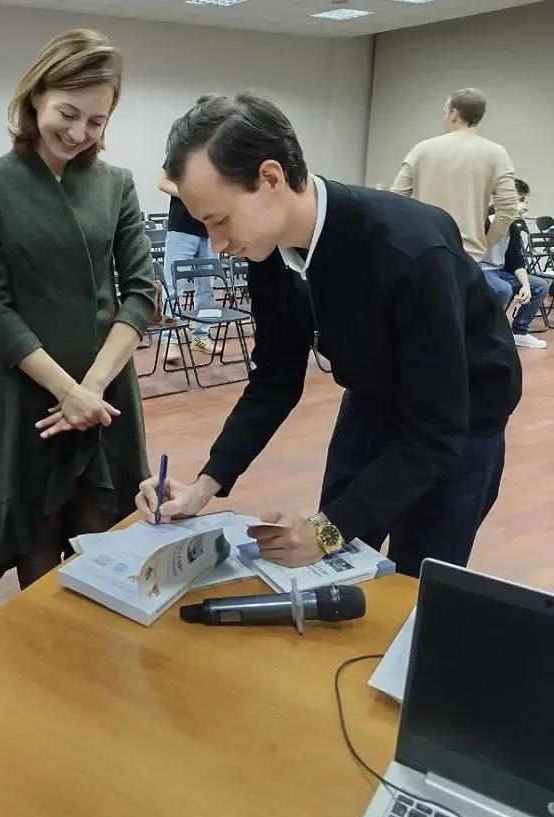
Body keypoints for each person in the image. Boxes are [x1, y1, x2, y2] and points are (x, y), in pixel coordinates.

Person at [135, 92, 521, 579]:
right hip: (371, 399)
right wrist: (204, 484)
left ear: (270, 178)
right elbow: (274, 381)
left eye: (220, 220)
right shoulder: (268, 249)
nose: (218, 244)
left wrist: (325, 530)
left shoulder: (409, 249)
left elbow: (438, 431)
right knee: (337, 562)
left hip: (461, 423)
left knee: (414, 580)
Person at [0, 29, 155, 587]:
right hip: (32, 391)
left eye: (96, 121)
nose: (78, 132)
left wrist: (90, 390)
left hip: (107, 391)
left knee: (105, 532)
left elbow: (140, 292)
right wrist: (68, 393)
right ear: (36, 94)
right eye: (68, 113)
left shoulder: (116, 184)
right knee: (37, 539)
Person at [392, 88, 518, 260]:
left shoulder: (421, 149)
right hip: (467, 255)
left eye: (444, 113)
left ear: (453, 114)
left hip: (422, 250)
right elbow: (509, 209)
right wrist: (485, 245)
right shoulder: (497, 154)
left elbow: (394, 200)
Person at [480, 178, 548, 350]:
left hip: (500, 271)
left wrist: (526, 285)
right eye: (521, 200)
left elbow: (518, 261)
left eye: (525, 201)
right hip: (479, 269)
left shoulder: (513, 228)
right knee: (503, 289)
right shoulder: (481, 219)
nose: (525, 205)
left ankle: (519, 332)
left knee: (539, 285)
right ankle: (488, 333)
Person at [157, 167, 215, 363]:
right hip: (181, 228)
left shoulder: (217, 154)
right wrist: (191, 195)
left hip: (210, 228)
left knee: (207, 289)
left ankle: (201, 336)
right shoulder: (180, 152)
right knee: (173, 289)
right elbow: (162, 182)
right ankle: (169, 340)